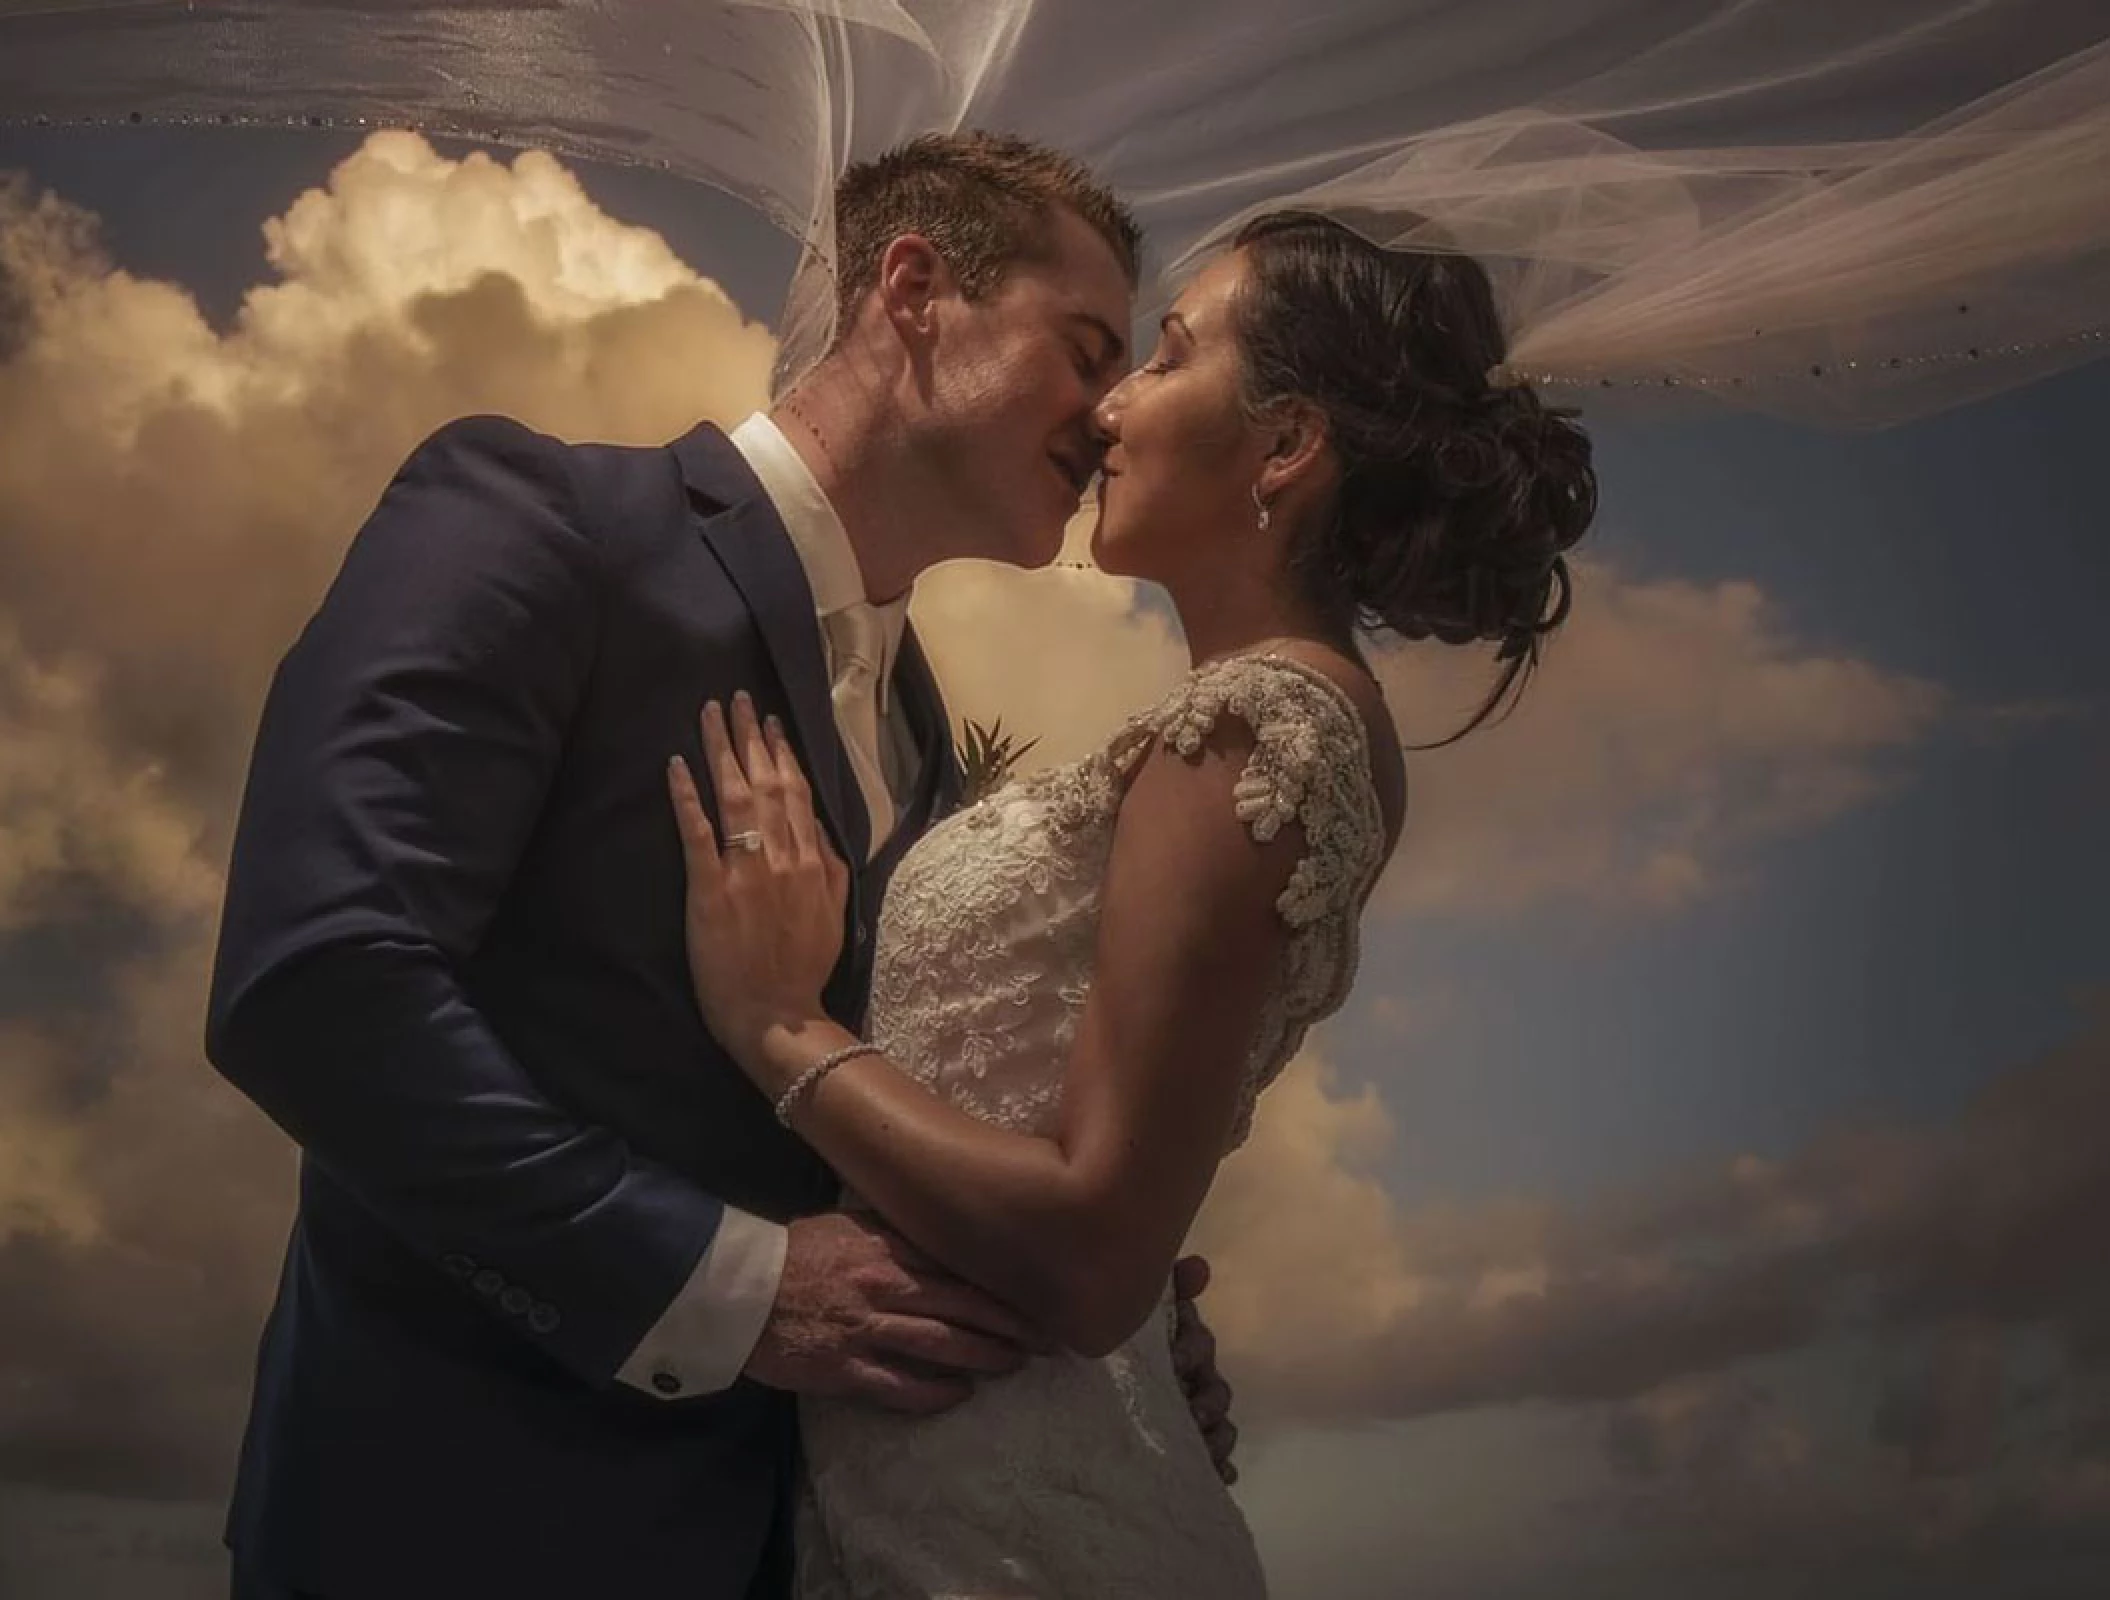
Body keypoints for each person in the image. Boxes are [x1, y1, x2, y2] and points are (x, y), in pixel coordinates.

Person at [202, 131, 1237, 1600]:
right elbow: (315, 982)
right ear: (914, 289)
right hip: (453, 1525)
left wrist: (1090, 1331)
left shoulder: (932, 739)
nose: (1110, 408)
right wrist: (729, 1291)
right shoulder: (539, 521)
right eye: (1083, 349)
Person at [662, 210, 1597, 1596]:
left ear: (1283, 446)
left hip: (1007, 1539)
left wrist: (774, 1028)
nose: (1109, 407)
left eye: (1163, 356)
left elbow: (1091, 1251)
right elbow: (1116, 1206)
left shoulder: (1253, 729)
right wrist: (1152, 1316)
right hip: (964, 1487)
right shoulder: (1266, 724)